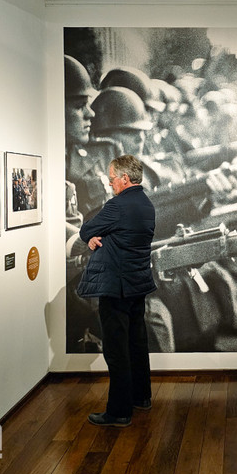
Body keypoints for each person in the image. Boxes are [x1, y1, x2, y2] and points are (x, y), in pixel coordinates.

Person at [78, 154, 156, 427]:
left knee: (116, 350)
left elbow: (86, 229)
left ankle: (119, 411)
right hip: (137, 285)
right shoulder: (146, 204)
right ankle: (141, 397)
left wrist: (93, 237)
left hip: (116, 288)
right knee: (137, 343)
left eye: (112, 179)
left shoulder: (117, 206)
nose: (110, 184)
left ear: (124, 178)